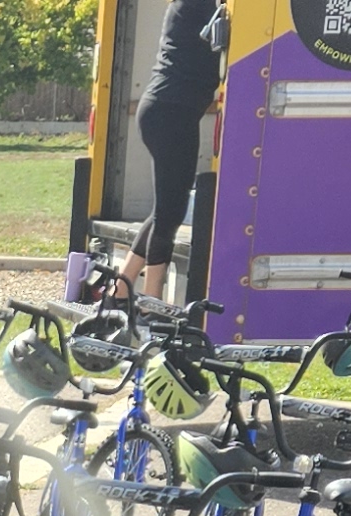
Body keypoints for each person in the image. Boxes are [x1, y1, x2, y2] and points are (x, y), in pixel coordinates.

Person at [117, 0, 230, 301]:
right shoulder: (198, 4)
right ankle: (152, 301)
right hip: (172, 112)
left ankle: (120, 290)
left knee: (164, 211)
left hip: (167, 110)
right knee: (170, 214)